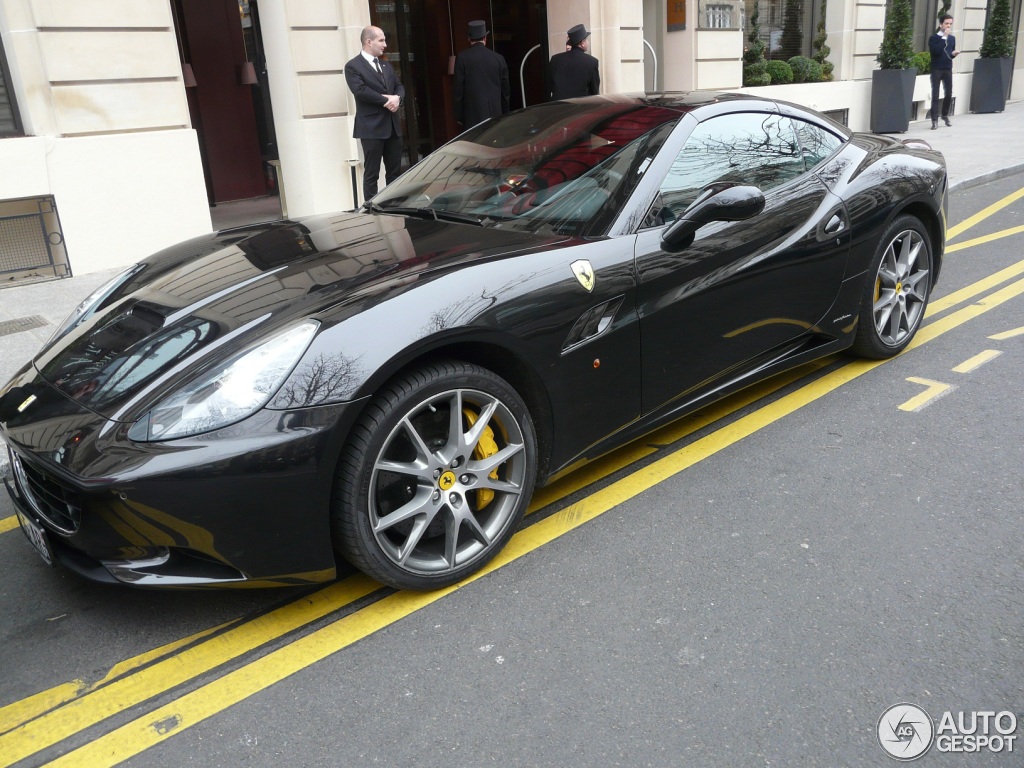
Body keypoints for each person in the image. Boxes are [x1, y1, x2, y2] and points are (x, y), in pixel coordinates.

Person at [344, 26, 405, 200]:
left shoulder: (386, 64)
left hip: (392, 127)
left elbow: (399, 86)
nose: (385, 44)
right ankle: (371, 212)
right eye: (381, 40)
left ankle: (393, 207)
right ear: (368, 42)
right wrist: (386, 100)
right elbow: (360, 91)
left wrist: (397, 98)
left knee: (394, 173)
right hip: (371, 129)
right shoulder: (353, 66)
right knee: (372, 174)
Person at [453, 20, 510, 130]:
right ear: (485, 38)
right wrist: (505, 113)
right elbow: (505, 92)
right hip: (496, 116)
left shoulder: (462, 58)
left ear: (469, 39)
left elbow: (458, 92)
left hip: (472, 118)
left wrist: (459, 117)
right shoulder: (499, 58)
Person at [546, 23, 600, 100]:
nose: (588, 42)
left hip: (558, 107)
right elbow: (595, 91)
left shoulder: (555, 59)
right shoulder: (591, 62)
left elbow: (549, 86)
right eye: (586, 40)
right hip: (581, 107)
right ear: (582, 43)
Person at [928, 14, 959, 130]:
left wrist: (953, 54)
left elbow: (948, 54)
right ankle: (934, 120)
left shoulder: (952, 38)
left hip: (947, 68)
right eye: (946, 23)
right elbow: (935, 52)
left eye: (950, 23)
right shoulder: (934, 38)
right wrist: (944, 37)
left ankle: (944, 115)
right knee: (935, 95)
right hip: (936, 69)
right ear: (941, 24)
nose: (948, 26)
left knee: (949, 94)